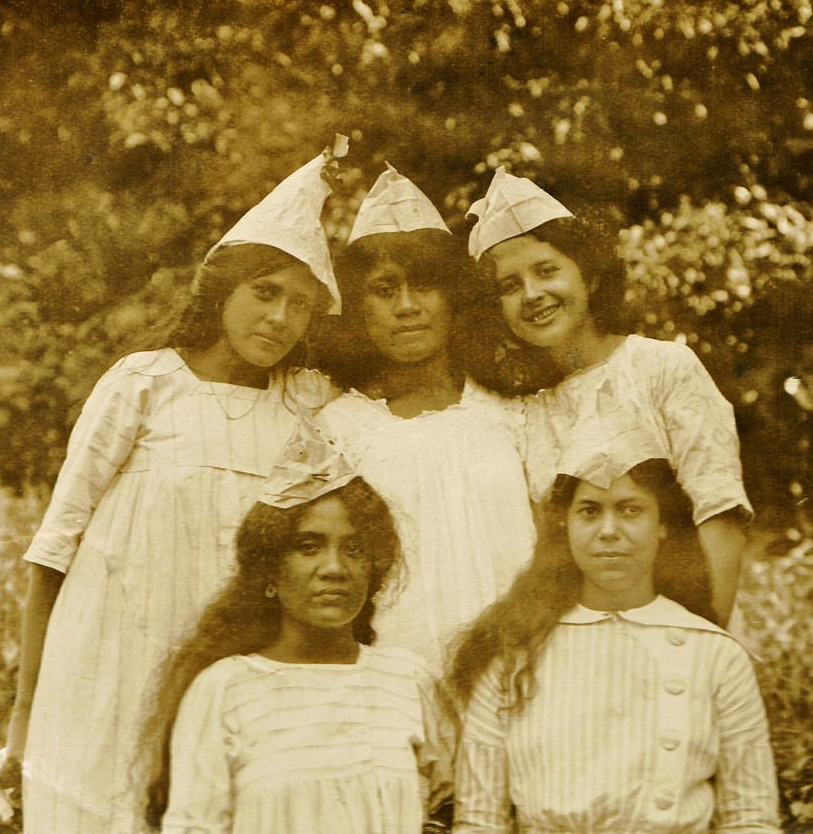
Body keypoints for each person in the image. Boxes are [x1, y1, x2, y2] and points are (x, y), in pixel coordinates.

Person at [0, 139, 347, 833]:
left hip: (228, 671)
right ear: (222, 289)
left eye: (300, 305)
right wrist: (24, 712)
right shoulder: (145, 382)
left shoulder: (303, 406)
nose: (278, 317)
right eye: (264, 292)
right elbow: (54, 548)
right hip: (106, 664)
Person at [466, 167, 751, 626]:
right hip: (569, 646)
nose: (532, 294)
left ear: (591, 277)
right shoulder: (518, 408)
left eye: (546, 270)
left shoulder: (661, 368)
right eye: (509, 285)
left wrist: (702, 645)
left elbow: (718, 512)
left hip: (678, 630)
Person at [142, 423, 454, 834]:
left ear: (372, 569)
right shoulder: (224, 690)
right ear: (269, 570)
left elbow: (455, 810)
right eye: (308, 547)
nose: (334, 569)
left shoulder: (407, 680)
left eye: (354, 550)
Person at [448, 458, 781, 834]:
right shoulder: (513, 657)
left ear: (663, 526)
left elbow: (751, 818)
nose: (608, 531)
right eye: (589, 512)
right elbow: (479, 822)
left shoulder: (714, 654)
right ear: (566, 526)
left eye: (631, 510)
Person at [312, 164, 536, 667]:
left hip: (518, 664)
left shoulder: (511, 412)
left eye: (426, 286)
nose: (408, 306)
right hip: (391, 671)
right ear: (358, 306)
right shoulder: (338, 430)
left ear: (454, 298)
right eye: (385, 290)